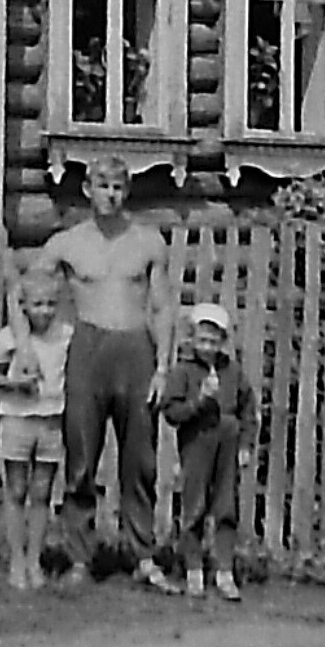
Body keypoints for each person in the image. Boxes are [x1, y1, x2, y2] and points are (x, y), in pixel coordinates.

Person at [41, 155, 174, 588]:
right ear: (87, 190)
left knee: (140, 461)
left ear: (127, 192)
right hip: (88, 346)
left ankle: (143, 556)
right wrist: (30, 344)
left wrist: (163, 366)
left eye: (118, 187)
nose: (110, 195)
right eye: (102, 185)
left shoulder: (148, 242)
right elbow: (26, 288)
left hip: (135, 347)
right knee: (80, 456)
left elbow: (160, 306)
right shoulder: (67, 243)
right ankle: (79, 557)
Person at [0, 263, 73, 592]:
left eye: (51, 304)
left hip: (51, 420)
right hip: (17, 419)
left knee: (42, 493)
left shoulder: (65, 336)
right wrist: (15, 383)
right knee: (16, 490)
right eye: (38, 305)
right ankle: (16, 560)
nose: (45, 311)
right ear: (23, 307)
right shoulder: (8, 338)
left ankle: (36, 560)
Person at [160, 301, 253, 601]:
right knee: (194, 505)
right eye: (202, 340)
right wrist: (199, 401)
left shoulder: (233, 372)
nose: (208, 347)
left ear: (223, 342)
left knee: (226, 506)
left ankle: (225, 570)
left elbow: (248, 411)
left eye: (214, 341)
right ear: (192, 339)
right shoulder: (183, 371)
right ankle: (194, 570)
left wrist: (246, 445)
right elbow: (172, 413)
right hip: (196, 440)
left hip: (227, 440)